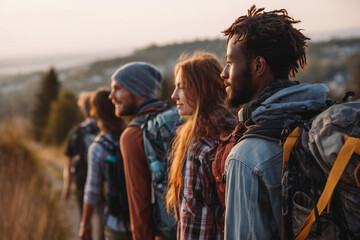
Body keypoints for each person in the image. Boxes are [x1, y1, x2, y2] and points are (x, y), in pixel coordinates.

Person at [220, 5, 330, 239]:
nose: (223, 72)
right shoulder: (320, 117)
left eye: (230, 62)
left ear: (258, 66)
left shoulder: (246, 157)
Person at [166, 52, 235, 239]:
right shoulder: (237, 127)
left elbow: (194, 218)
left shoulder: (199, 149)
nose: (174, 95)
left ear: (201, 90)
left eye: (181, 87)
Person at [109, 62, 168, 240]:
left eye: (117, 89)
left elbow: (139, 205)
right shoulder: (175, 119)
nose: (111, 96)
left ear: (136, 90)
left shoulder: (133, 135)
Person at [79, 89, 131, 240]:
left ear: (96, 113)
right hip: (145, 221)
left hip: (116, 223)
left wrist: (85, 224)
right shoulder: (134, 136)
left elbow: (93, 192)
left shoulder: (98, 147)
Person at [63, 91, 105, 240]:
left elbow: (68, 165)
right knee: (103, 217)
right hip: (103, 179)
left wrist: (67, 188)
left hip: (82, 180)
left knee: (84, 219)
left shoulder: (76, 133)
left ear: (84, 110)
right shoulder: (104, 130)